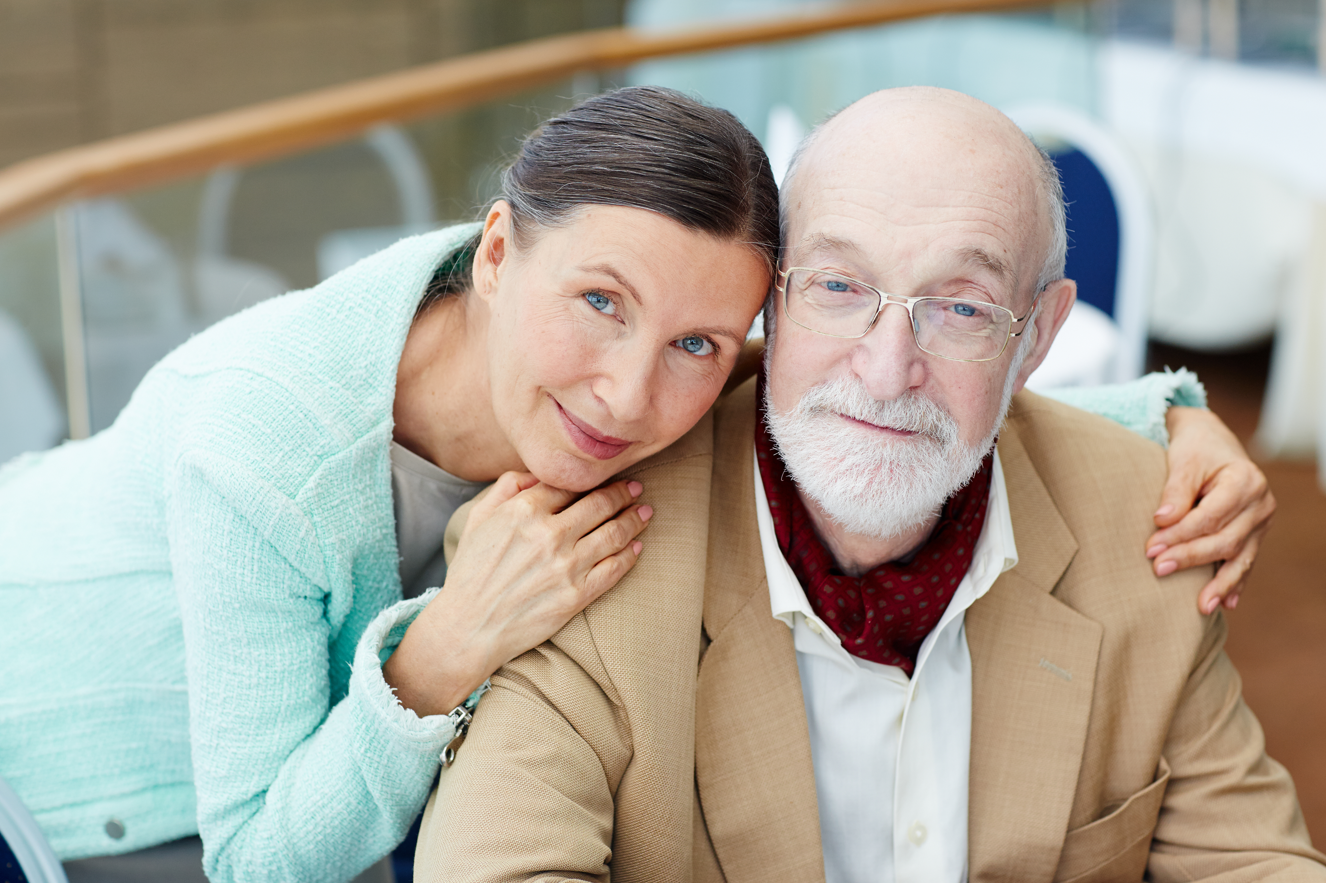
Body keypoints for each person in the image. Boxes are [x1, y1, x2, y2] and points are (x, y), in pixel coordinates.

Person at [0, 86, 1269, 883]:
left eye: (696, 348)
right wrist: (441, 653)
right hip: (88, 767)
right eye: (596, 304)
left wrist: (1165, 416)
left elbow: (863, 381)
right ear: (498, 251)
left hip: (338, 775)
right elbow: (263, 859)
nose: (625, 394)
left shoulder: (691, 350)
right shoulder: (265, 447)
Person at [415, 88, 1321, 883]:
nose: (887, 373)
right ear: (773, 301)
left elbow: (1251, 858)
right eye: (840, 286)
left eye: (962, 308)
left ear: (1037, 338)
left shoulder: (1155, 522)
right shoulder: (575, 549)